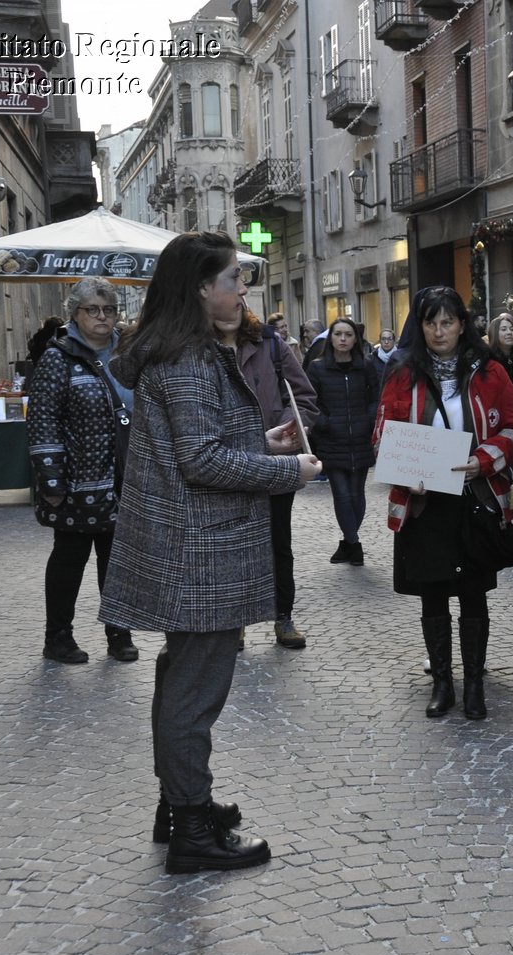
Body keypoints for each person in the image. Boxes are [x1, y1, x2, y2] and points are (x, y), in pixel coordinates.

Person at [98, 231, 321, 874]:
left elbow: (199, 441)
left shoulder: (179, 353)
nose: (242, 289)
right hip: (200, 550)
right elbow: (200, 461)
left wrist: (264, 442)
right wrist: (289, 473)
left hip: (191, 544)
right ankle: (191, 828)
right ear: (201, 288)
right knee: (194, 692)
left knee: (180, 681)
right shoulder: (191, 358)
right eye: (233, 280)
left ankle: (180, 805)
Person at [376, 286, 513, 721]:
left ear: (462, 324)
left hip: (473, 500)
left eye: (447, 322)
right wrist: (408, 472)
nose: (439, 331)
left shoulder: (490, 371)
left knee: (474, 597)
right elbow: (383, 434)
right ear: (419, 327)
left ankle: (475, 684)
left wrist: (483, 461)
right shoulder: (402, 373)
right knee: (434, 597)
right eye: (430, 322)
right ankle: (443, 682)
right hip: (425, 504)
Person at [26, 278, 139, 664]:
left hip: (124, 479)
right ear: (75, 313)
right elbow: (42, 421)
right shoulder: (58, 358)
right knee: (68, 560)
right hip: (77, 483)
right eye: (93, 309)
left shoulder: (127, 352)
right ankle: (58, 637)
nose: (102, 317)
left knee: (118, 560)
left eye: (109, 309)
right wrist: (51, 480)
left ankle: (119, 633)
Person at [234, 306, 320, 649]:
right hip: (229, 463)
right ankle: (235, 621)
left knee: (278, 543)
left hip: (275, 463)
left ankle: (282, 617)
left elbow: (303, 396)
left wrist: (284, 428)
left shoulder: (270, 343)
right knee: (233, 547)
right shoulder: (200, 346)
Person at [306, 317, 380, 566]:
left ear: (355, 338)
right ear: (331, 338)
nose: (343, 339)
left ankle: (347, 543)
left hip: (360, 438)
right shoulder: (317, 368)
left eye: (348, 334)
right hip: (332, 441)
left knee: (357, 494)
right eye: (338, 334)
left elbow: (376, 397)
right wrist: (324, 423)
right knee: (342, 494)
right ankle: (355, 544)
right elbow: (309, 402)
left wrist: (368, 420)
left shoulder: (366, 366)